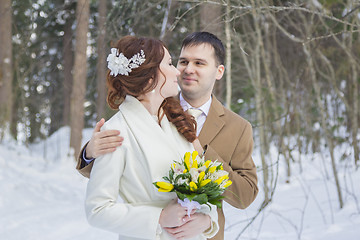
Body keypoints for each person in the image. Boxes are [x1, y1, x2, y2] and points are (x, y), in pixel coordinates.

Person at [77, 32, 258, 240]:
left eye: (199, 63)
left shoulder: (231, 127)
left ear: (219, 71)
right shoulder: (127, 126)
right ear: (150, 74)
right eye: (180, 62)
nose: (184, 71)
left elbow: (240, 195)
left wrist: (208, 220)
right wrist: (89, 153)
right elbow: (102, 198)